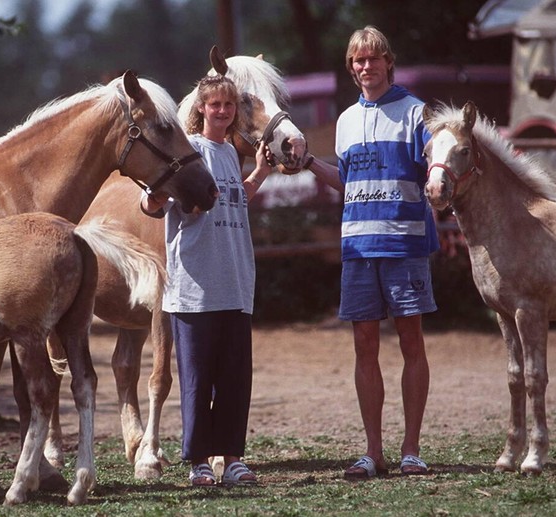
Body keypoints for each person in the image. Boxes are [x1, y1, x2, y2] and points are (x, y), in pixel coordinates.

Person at [301, 26, 438, 478]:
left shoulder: (417, 113)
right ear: (351, 66)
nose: (365, 67)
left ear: (388, 62)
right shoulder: (344, 121)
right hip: (358, 246)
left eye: (373, 59)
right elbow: (346, 182)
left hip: (404, 243)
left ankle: (411, 449)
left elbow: (435, 174)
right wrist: (305, 163)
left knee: (411, 341)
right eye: (358, 61)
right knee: (364, 347)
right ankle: (373, 452)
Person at [140, 74, 272, 487]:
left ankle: (231, 458)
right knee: (198, 380)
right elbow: (149, 202)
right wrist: (158, 198)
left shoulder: (232, 154)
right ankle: (199, 461)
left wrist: (262, 172)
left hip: (235, 281)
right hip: (195, 287)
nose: (222, 111)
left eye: (229, 105)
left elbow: (235, 197)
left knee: (234, 379)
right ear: (200, 108)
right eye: (214, 104)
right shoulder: (189, 149)